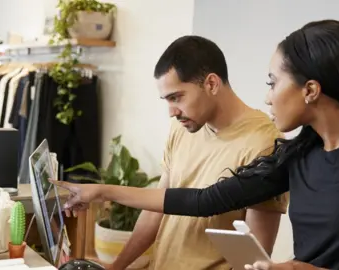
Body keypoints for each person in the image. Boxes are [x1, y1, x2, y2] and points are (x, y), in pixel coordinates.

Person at [51, 19, 339, 270]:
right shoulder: (298, 156)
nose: (267, 95)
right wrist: (101, 192)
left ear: (310, 90)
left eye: (273, 82)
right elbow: (204, 201)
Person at [77, 36, 288, 270]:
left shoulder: (264, 142)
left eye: (176, 97)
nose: (172, 112)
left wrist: (105, 191)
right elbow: (156, 211)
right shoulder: (183, 127)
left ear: (211, 84)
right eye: (166, 100)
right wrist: (117, 267)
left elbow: (255, 256)